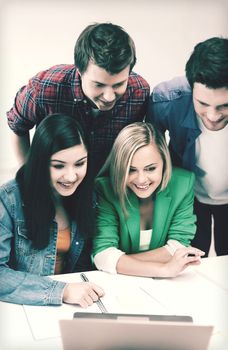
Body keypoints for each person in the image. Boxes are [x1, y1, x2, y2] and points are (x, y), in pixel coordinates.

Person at [7, 22, 150, 177]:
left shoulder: (139, 92)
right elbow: (18, 127)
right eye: (99, 85)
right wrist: (29, 174)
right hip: (53, 179)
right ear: (80, 71)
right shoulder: (43, 88)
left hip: (105, 182)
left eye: (119, 84)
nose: (109, 96)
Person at [0, 113, 104, 306]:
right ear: (40, 163)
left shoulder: (89, 197)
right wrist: (61, 291)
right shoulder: (8, 199)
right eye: (58, 166)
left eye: (80, 163)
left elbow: (83, 263)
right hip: (25, 306)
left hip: (70, 304)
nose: (71, 176)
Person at [146, 37, 228, 257]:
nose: (213, 116)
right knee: (190, 258)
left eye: (224, 105)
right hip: (189, 196)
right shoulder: (167, 101)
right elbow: (149, 147)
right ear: (191, 89)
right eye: (203, 104)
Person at [92, 122, 204, 278]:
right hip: (119, 283)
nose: (141, 179)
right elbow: (102, 253)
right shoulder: (105, 189)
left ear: (164, 162)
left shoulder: (183, 183)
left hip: (160, 284)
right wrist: (164, 270)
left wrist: (118, 262)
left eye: (151, 168)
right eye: (131, 170)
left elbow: (178, 245)